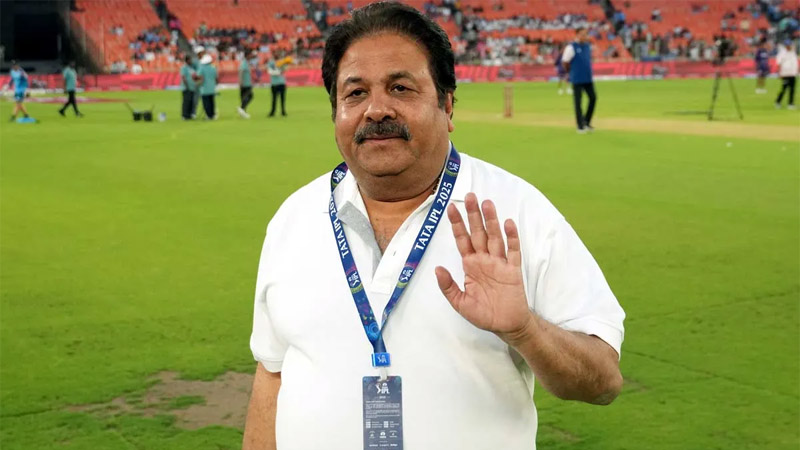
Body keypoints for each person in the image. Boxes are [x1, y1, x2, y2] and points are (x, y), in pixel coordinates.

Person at [242, 3, 625, 450]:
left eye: (400, 88)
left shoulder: (514, 212)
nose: (376, 110)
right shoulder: (294, 218)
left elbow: (603, 381)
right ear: (336, 113)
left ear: (447, 104)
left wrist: (525, 330)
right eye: (356, 93)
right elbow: (272, 372)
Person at [562, 27, 596, 133]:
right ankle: (580, 126)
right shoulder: (571, 47)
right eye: (582, 34)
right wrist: (571, 72)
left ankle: (586, 121)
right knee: (578, 102)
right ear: (577, 35)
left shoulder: (587, 46)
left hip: (588, 77)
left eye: (586, 34)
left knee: (593, 98)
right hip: (577, 78)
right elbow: (565, 62)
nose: (584, 36)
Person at [775, 40, 798, 109]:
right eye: (787, 45)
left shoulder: (793, 52)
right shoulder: (782, 53)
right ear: (785, 46)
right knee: (784, 89)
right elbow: (778, 63)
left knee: (792, 89)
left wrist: (797, 71)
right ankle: (778, 102)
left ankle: (790, 104)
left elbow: (795, 62)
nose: (789, 46)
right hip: (785, 74)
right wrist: (779, 73)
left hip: (792, 73)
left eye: (789, 45)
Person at [196, 53, 218, 119]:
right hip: (212, 88)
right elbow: (216, 78)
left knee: (206, 103)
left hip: (204, 88)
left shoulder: (202, 68)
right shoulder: (213, 68)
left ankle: (208, 115)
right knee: (212, 102)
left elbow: (199, 77)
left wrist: (197, 83)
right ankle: (212, 115)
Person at [238, 51, 257, 119]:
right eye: (250, 55)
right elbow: (241, 72)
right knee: (250, 96)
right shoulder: (244, 63)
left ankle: (243, 111)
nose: (251, 56)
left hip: (247, 83)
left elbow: (247, 73)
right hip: (245, 84)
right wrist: (241, 82)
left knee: (245, 97)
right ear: (247, 55)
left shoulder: (247, 63)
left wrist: (253, 79)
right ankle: (241, 108)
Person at [179, 55, 197, 120]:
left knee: (191, 102)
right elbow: (183, 77)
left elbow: (194, 76)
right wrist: (186, 86)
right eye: (190, 60)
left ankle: (189, 115)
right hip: (187, 88)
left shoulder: (191, 68)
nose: (191, 61)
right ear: (187, 60)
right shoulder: (184, 68)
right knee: (186, 101)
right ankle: (184, 115)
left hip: (192, 87)